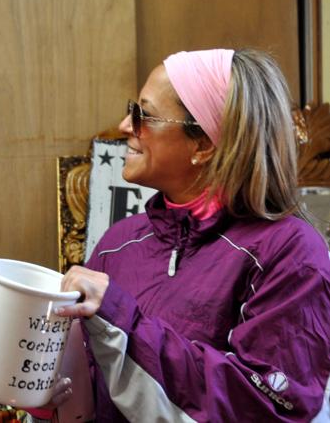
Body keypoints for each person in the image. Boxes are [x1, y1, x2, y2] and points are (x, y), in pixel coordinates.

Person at [56, 48, 330, 421]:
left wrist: (123, 319)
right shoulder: (118, 243)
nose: (124, 126)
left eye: (143, 115)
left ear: (202, 144)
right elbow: (93, 386)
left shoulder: (290, 252)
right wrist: (48, 394)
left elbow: (269, 406)